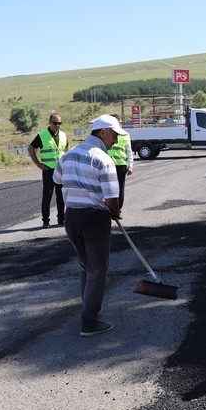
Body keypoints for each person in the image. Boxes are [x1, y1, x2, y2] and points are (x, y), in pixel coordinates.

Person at [53, 114, 126, 337]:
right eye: (114, 135)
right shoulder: (103, 159)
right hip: (94, 220)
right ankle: (89, 321)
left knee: (85, 267)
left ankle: (88, 310)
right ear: (103, 133)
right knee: (97, 272)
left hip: (71, 217)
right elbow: (112, 198)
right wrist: (115, 213)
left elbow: (57, 180)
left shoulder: (69, 154)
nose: (116, 140)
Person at [27, 112, 68, 228]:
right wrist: (38, 164)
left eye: (59, 123)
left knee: (61, 195)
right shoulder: (42, 135)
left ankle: (61, 219)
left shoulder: (64, 135)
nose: (57, 125)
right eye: (55, 123)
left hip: (60, 170)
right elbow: (31, 149)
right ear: (50, 123)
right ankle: (46, 220)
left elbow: (66, 150)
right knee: (47, 195)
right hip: (48, 170)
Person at [105, 114, 134, 208]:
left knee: (119, 189)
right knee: (108, 188)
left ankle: (118, 209)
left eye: (119, 122)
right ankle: (109, 208)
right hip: (107, 165)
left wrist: (130, 165)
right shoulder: (106, 134)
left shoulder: (125, 134)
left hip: (120, 165)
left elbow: (129, 151)